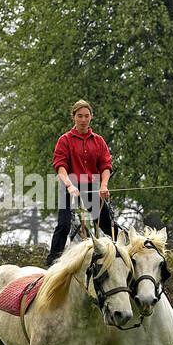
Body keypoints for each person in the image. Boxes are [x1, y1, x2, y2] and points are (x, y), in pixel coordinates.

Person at [47, 99, 116, 266]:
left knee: (108, 225)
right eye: (80, 116)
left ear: (91, 117)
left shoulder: (99, 141)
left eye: (86, 116)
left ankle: (118, 258)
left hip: (91, 187)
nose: (83, 119)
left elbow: (106, 165)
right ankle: (51, 264)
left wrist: (103, 186)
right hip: (69, 188)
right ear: (73, 117)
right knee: (63, 225)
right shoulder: (65, 140)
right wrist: (70, 186)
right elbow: (60, 166)